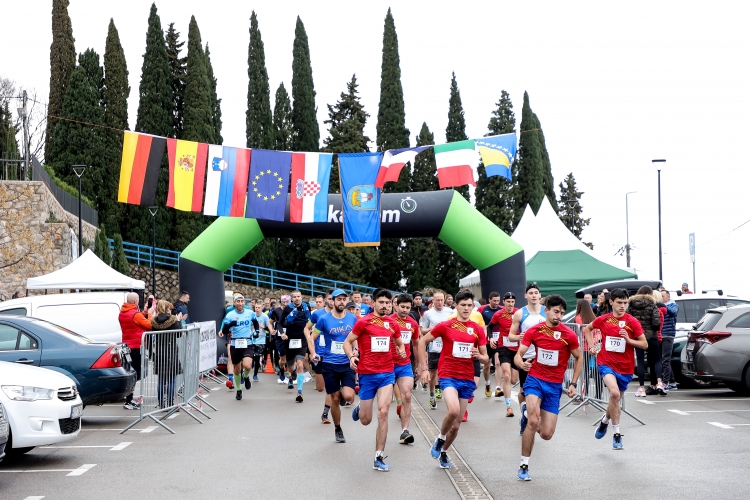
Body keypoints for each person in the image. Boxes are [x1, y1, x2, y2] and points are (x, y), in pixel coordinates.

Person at [514, 295, 582, 481]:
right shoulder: (535, 331)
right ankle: (524, 465)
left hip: (554, 386)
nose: (559, 315)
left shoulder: (568, 334)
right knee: (534, 422)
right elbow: (518, 355)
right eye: (555, 311)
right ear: (547, 311)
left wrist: (574, 383)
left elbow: (579, 357)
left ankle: (526, 413)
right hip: (535, 379)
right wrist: (521, 364)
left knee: (546, 434)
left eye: (561, 312)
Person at [419, 289, 488, 469]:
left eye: (469, 305)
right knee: (453, 410)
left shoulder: (478, 329)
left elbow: (486, 357)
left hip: (466, 378)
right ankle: (440, 439)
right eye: (462, 305)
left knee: (456, 426)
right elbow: (422, 342)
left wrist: (479, 356)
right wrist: (424, 368)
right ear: (455, 306)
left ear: (473, 307)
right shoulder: (445, 325)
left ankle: (444, 452)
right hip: (448, 374)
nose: (466, 308)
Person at [344, 288, 406, 472]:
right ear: (374, 303)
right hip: (367, 374)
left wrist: (401, 351)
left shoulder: (393, 324)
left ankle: (378, 457)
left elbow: (399, 342)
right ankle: (361, 408)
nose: (385, 306)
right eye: (382, 302)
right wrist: (351, 357)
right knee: (365, 420)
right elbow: (348, 342)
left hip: (387, 373)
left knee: (384, 412)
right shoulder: (363, 322)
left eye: (388, 303)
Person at [585, 288, 647, 450]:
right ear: (611, 302)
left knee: (615, 400)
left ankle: (605, 421)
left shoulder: (632, 322)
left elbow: (644, 344)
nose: (622, 306)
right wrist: (592, 347)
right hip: (606, 363)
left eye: (625, 303)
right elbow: (587, 329)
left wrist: (629, 340)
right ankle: (617, 434)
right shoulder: (604, 319)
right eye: (619, 303)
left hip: (625, 368)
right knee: (613, 394)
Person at [309, 289, 357, 443]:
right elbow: (311, 337)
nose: (342, 302)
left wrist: (356, 350)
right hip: (329, 363)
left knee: (349, 396)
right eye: (339, 299)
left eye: (344, 299)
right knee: (335, 398)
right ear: (333, 301)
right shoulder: (324, 319)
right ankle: (338, 428)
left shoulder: (353, 318)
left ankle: (345, 397)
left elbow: (356, 337)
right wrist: (313, 353)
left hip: (347, 362)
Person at [508, 283, 547, 435]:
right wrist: (519, 336)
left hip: (543, 357)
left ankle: (532, 415)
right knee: (524, 391)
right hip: (526, 357)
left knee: (541, 390)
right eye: (530, 292)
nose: (533, 295)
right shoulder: (520, 313)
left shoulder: (547, 311)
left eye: (536, 292)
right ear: (526, 296)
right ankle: (524, 411)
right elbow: (510, 336)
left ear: (540, 295)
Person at [390, 293, 419, 444]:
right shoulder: (388, 321)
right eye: (402, 307)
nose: (405, 310)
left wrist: (421, 366)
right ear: (395, 305)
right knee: (384, 399)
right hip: (386, 364)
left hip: (404, 364)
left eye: (408, 307)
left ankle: (405, 431)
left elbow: (416, 345)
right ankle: (362, 403)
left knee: (407, 395)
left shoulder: (413, 324)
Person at [628, 286, 665, 396]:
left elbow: (628, 320)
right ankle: (659, 383)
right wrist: (653, 329)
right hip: (651, 336)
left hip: (638, 337)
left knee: (640, 362)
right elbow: (656, 322)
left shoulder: (631, 305)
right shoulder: (652, 305)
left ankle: (641, 388)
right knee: (657, 360)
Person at [118, 292, 153, 410]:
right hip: (136, 346)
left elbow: (135, 321)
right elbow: (148, 325)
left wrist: (143, 313)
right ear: (134, 302)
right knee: (135, 373)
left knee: (129, 371)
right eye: (138, 300)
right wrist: (150, 314)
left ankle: (128, 397)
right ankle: (129, 399)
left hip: (126, 346)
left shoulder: (122, 313)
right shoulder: (135, 314)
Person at [148, 300, 185, 408]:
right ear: (166, 308)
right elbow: (178, 334)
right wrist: (178, 320)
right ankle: (170, 403)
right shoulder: (173, 320)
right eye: (169, 308)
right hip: (171, 351)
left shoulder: (154, 321)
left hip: (159, 351)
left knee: (161, 380)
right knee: (171, 380)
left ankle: (161, 404)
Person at [420, 291, 453, 410]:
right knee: (433, 373)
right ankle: (432, 395)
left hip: (447, 345)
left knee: (446, 371)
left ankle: (443, 390)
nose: (439, 303)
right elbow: (422, 330)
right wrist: (429, 329)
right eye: (437, 300)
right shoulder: (428, 314)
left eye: (441, 300)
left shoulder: (450, 312)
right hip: (434, 345)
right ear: (433, 301)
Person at [220, 295, 256, 401]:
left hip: (247, 342)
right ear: (234, 303)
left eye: (242, 301)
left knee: (248, 365)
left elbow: (255, 322)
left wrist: (257, 331)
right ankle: (239, 390)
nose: (240, 303)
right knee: (236, 369)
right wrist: (231, 324)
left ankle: (246, 376)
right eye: (238, 301)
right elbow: (225, 331)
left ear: (244, 303)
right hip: (235, 343)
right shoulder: (230, 315)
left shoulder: (250, 313)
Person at [489, 292, 520, 417]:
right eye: (508, 302)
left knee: (514, 380)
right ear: (504, 302)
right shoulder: (499, 314)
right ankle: (508, 407)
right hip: (503, 347)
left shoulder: (519, 313)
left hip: (517, 349)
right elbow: (490, 327)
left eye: (512, 302)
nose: (510, 304)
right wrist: (491, 338)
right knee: (506, 376)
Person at [281, 290, 312, 402]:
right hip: (289, 340)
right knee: (290, 366)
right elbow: (280, 323)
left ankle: (299, 391)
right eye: (294, 297)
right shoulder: (288, 308)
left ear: (301, 297)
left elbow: (310, 320)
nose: (297, 298)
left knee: (300, 365)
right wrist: (282, 333)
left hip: (301, 340)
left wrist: (310, 329)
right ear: (291, 298)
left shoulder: (306, 307)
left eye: (298, 296)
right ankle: (291, 373)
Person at [309, 289, 334, 423]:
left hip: (334, 355)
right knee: (320, 388)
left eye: (333, 298)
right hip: (319, 354)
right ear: (326, 300)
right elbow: (306, 328)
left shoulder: (341, 315)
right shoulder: (317, 314)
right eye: (329, 298)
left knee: (331, 386)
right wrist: (310, 343)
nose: (332, 301)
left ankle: (325, 413)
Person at [481, 292, 503, 398]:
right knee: (487, 364)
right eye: (494, 301)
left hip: (498, 338)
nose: (496, 303)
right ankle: (487, 383)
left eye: (498, 301)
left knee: (498, 362)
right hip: (486, 339)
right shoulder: (482, 309)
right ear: (489, 300)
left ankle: (498, 387)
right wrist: (484, 327)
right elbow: (477, 322)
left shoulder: (501, 309)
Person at [660, 290, 680, 389]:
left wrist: (664, 306)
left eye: (663, 296)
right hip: (660, 334)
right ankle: (672, 382)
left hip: (668, 335)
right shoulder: (660, 306)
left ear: (668, 297)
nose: (661, 298)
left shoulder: (673, 305)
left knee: (665, 360)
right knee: (664, 360)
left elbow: (673, 313)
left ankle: (666, 382)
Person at [269, 295, 290, 383]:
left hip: (290, 336)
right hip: (279, 337)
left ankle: (290, 378)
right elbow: (270, 323)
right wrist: (271, 330)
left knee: (291, 358)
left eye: (287, 302)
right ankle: (281, 369)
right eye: (283, 302)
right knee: (283, 359)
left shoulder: (293, 310)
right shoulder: (276, 311)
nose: (285, 304)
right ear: (280, 302)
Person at [252, 302, 271, 382]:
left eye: (259, 307)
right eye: (256, 307)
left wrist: (264, 327)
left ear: (262, 308)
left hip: (261, 340)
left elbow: (269, 328)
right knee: (249, 358)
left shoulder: (265, 317)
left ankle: (255, 374)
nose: (257, 309)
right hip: (251, 339)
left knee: (257, 358)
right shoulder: (252, 315)